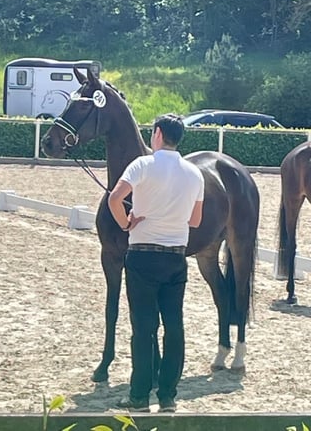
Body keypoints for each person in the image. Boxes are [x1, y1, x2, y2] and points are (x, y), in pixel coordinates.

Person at [108, 113, 205, 413]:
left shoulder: (142, 165)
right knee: (174, 326)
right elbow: (196, 220)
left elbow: (114, 199)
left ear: (159, 134)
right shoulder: (195, 174)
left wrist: (127, 222)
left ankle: (139, 395)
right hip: (176, 257)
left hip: (142, 255)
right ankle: (168, 395)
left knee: (144, 327)